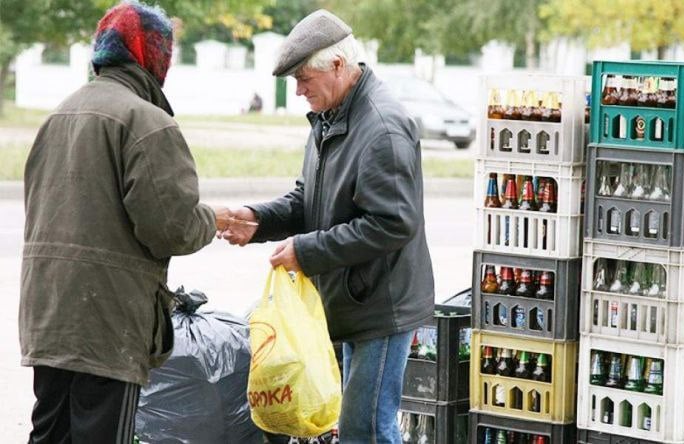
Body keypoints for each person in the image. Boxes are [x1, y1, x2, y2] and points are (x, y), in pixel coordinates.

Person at [19, 2, 239, 442]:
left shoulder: (60, 114)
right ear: (154, 57)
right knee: (101, 433)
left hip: (50, 313)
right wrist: (211, 220)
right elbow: (170, 228)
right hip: (107, 323)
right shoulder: (147, 122)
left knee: (51, 431)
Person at [221, 9, 435, 443]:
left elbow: (392, 224)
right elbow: (310, 200)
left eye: (303, 79)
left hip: (381, 304)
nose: (298, 91)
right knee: (355, 427)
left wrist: (307, 251)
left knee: (368, 428)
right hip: (351, 297)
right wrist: (258, 219)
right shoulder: (330, 116)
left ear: (338, 65)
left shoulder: (382, 127)